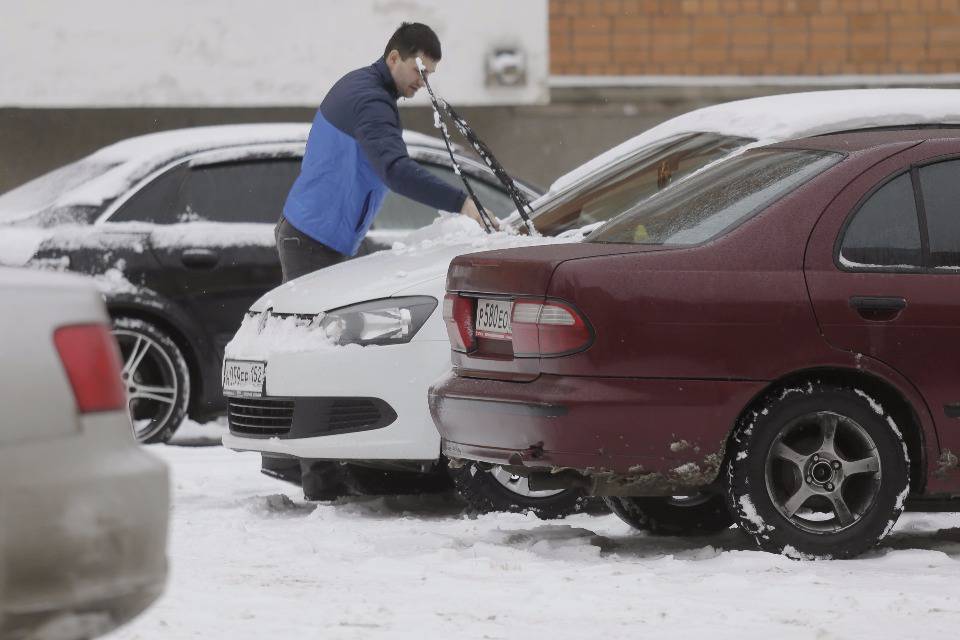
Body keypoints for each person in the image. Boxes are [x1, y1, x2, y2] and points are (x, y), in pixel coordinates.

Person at [275, 22, 490, 283]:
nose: (423, 82)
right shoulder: (371, 101)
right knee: (312, 325)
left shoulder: (362, 85)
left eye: (428, 75)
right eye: (418, 70)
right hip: (314, 242)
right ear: (394, 58)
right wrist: (461, 203)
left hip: (312, 232)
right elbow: (396, 171)